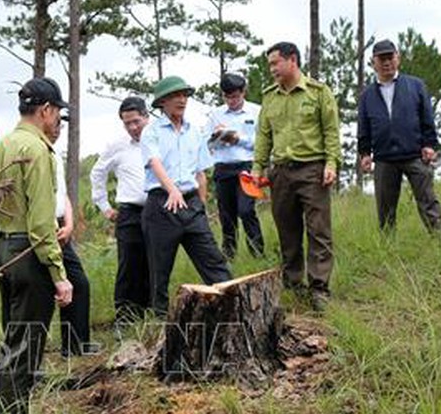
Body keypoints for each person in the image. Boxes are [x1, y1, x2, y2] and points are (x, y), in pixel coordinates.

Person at [0, 77, 73, 414]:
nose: (57, 123)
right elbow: (40, 223)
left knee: (11, 343)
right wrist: (59, 273)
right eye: (57, 114)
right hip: (30, 253)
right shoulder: (38, 150)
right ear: (46, 110)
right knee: (25, 351)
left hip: (4, 250)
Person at [252, 42, 341, 311]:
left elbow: (331, 130)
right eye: (270, 65)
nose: (272, 69)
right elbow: (264, 135)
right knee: (287, 231)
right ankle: (293, 283)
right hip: (280, 173)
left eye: (275, 63)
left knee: (319, 231)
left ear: (292, 60)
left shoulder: (318, 92)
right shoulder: (269, 97)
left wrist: (331, 163)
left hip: (312, 170)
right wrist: (257, 168)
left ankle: (319, 289)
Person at [140, 75, 233, 318]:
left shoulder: (194, 132)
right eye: (174, 96)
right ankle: (160, 323)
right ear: (162, 102)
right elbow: (154, 162)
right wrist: (171, 189)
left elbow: (201, 172)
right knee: (159, 271)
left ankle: (234, 311)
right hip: (162, 205)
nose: (181, 100)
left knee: (214, 261)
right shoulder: (152, 131)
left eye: (184, 95)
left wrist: (200, 205)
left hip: (191, 205)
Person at [357, 39, 441, 234]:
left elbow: (427, 117)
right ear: (374, 62)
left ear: (398, 58)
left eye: (390, 57)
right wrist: (364, 153)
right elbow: (364, 127)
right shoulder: (367, 95)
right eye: (382, 59)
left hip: (415, 154)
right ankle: (387, 250)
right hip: (384, 159)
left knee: (428, 201)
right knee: (385, 210)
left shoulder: (416, 85)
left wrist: (430, 144)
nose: (387, 62)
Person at [89, 96, 151, 325]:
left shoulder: (159, 139)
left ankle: (153, 312)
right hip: (130, 212)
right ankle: (125, 318)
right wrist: (104, 206)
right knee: (129, 265)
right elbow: (97, 173)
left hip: (158, 210)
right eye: (128, 124)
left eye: (137, 121)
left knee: (155, 263)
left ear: (146, 116)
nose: (133, 127)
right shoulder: (117, 145)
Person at [49, 124, 98, 357]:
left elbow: (63, 195)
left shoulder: (55, 153)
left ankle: (76, 346)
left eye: (61, 125)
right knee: (42, 290)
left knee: (79, 283)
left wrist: (68, 225)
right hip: (42, 228)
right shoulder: (35, 151)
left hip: (60, 227)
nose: (57, 129)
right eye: (55, 123)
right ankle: (30, 357)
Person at [204, 73, 265, 259]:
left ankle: (257, 253)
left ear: (243, 92)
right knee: (226, 215)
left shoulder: (256, 112)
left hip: (247, 166)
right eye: (227, 97)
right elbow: (207, 145)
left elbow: (262, 143)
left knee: (246, 210)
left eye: (235, 97)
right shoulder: (215, 114)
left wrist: (238, 138)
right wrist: (217, 136)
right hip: (223, 168)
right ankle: (229, 256)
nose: (231, 101)